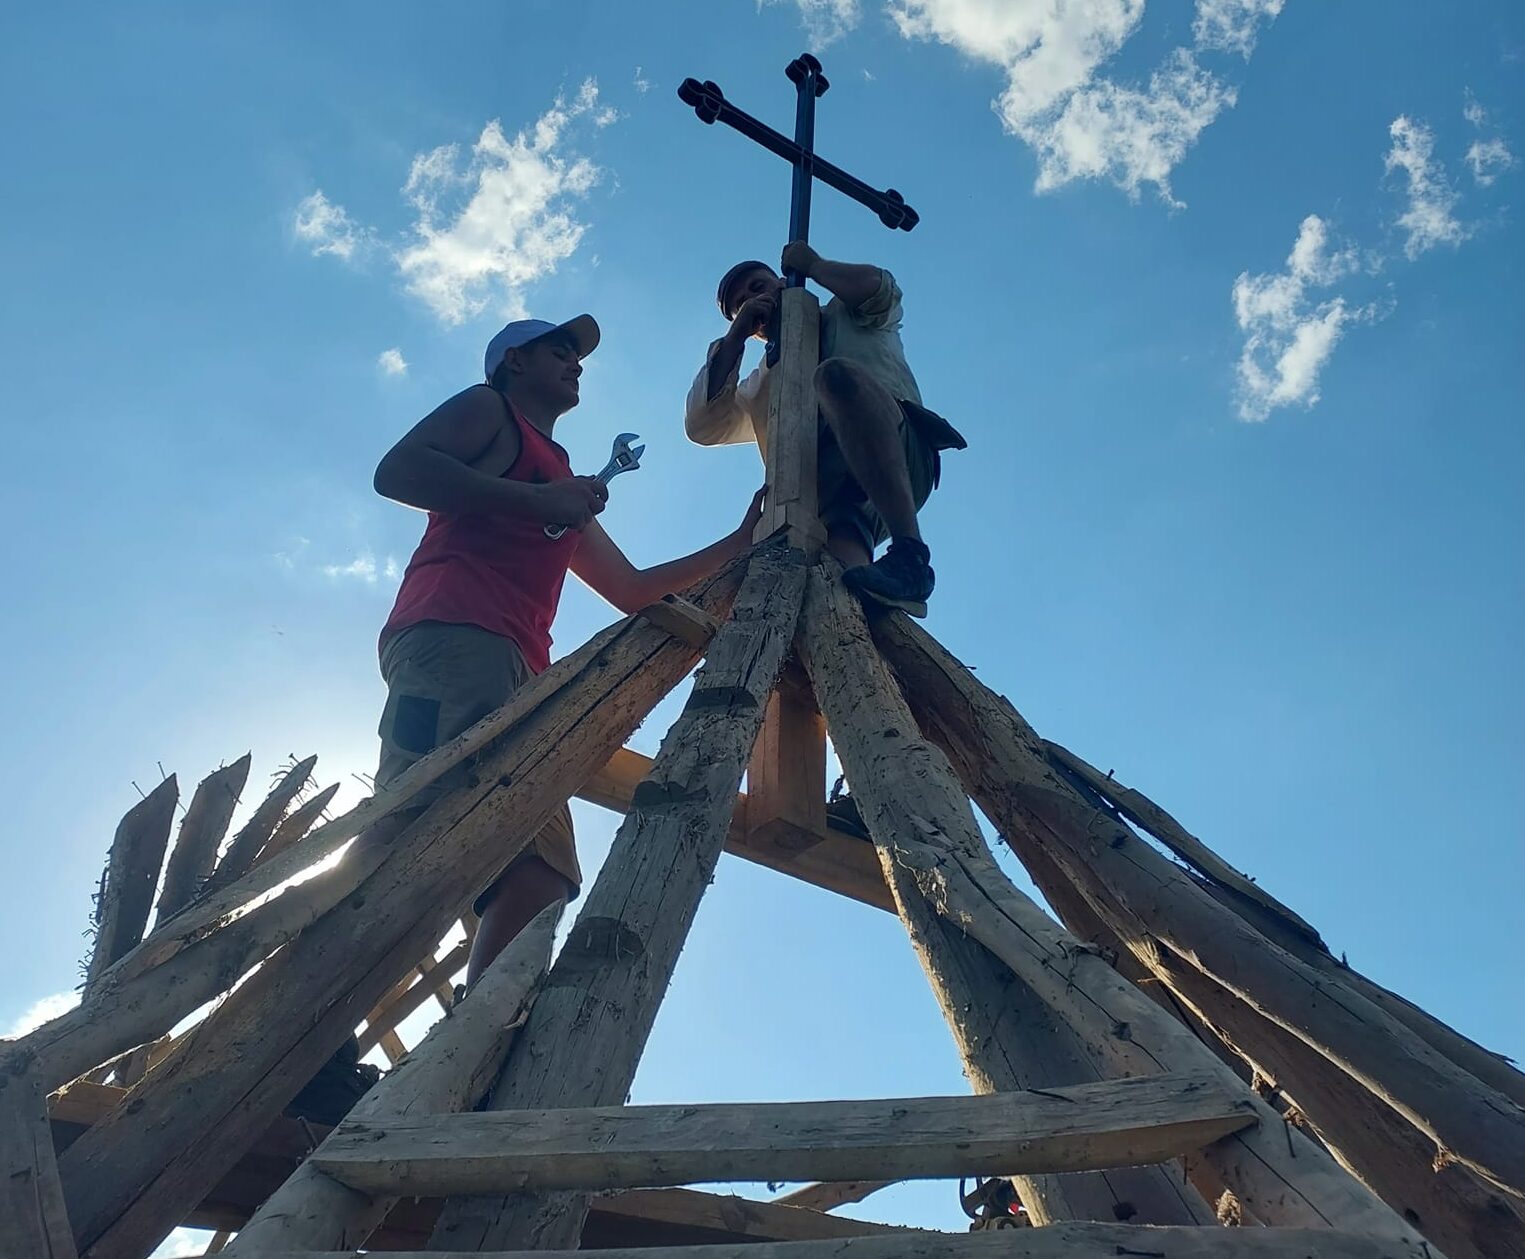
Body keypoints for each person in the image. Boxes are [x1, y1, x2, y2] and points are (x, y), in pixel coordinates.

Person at [372, 314, 762, 986]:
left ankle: (476, 1031)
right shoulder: (489, 410)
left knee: (543, 869)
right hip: (455, 636)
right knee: (415, 833)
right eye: (558, 350)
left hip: (523, 670)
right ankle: (319, 1027)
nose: (574, 362)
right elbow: (399, 472)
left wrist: (737, 543)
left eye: (575, 355)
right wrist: (535, 500)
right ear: (514, 362)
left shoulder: (559, 480)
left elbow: (632, 589)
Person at [684, 241, 964, 618]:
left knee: (836, 379)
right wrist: (734, 339)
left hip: (900, 457)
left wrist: (814, 266)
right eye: (741, 304)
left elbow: (879, 289)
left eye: (757, 286)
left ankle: (910, 556)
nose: (753, 299)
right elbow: (703, 426)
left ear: (780, 281)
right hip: (831, 504)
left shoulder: (850, 314)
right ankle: (859, 613)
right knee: (843, 588)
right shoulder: (761, 386)